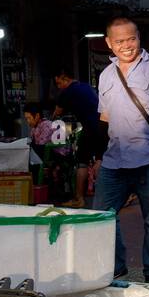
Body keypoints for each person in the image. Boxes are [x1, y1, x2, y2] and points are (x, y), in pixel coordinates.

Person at [93, 15, 149, 283]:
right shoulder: (107, 74)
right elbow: (103, 119)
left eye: (131, 38)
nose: (126, 45)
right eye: (119, 41)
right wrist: (97, 157)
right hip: (114, 160)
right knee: (101, 217)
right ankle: (116, 269)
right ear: (109, 43)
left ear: (139, 37)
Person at [53, 70, 103, 206]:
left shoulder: (67, 91)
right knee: (100, 159)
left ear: (64, 78)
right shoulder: (86, 86)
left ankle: (79, 198)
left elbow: (57, 113)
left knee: (82, 161)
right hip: (103, 125)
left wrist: (53, 117)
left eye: (58, 83)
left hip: (90, 128)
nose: (58, 87)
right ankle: (108, 194)